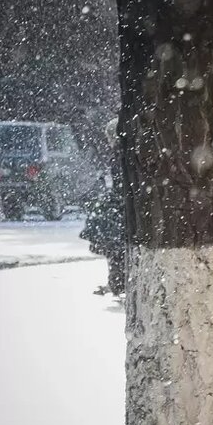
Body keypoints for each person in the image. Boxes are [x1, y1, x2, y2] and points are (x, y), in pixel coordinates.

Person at [80, 117, 127, 296]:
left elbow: (120, 186)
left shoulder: (120, 155)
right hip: (118, 208)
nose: (108, 140)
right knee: (115, 248)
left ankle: (117, 282)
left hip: (119, 210)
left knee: (114, 248)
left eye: (109, 136)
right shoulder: (121, 154)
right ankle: (117, 282)